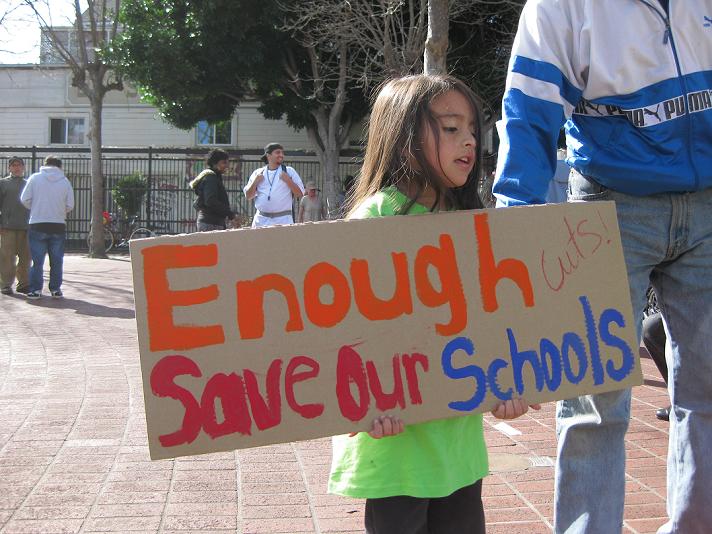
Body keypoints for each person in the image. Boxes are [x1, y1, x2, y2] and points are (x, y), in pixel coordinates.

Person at [493, 1, 712, 532]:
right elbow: (529, 110)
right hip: (608, 205)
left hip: (708, 199)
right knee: (594, 402)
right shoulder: (561, 5)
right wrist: (514, 231)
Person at [328, 74, 541, 534]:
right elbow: (344, 330)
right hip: (394, 448)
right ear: (403, 137)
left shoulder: (471, 224)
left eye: (471, 129)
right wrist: (360, 403)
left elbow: (490, 321)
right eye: (450, 128)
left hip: (458, 447)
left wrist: (507, 381)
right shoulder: (374, 218)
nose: (469, 140)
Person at [20, 156, 74, 300]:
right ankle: (55, 289)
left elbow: (24, 199)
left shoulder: (35, 178)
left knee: (37, 261)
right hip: (57, 224)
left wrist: (37, 208)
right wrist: (58, 211)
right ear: (60, 166)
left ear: (45, 164)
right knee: (56, 260)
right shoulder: (65, 181)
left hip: (37, 223)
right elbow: (70, 205)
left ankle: (35, 290)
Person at [243, 143, 304, 228]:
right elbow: (248, 196)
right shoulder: (258, 173)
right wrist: (255, 182)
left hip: (283, 221)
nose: (281, 155)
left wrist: (288, 180)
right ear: (268, 155)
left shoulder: (289, 171)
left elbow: (300, 194)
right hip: (261, 220)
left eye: (282, 153)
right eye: (278, 152)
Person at [0, 157, 31, 295]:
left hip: (27, 227)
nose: (16, 168)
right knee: (7, 257)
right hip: (8, 227)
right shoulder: (3, 183)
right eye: (13, 165)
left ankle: (23, 284)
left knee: (26, 257)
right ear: (9, 168)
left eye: (19, 165)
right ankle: (6, 284)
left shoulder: (29, 183)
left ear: (23, 167)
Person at [189, 148, 236, 231]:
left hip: (212, 223)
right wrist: (229, 213)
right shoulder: (211, 178)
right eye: (224, 162)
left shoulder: (214, 176)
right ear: (215, 163)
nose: (227, 166)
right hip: (210, 224)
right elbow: (210, 201)